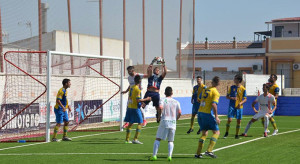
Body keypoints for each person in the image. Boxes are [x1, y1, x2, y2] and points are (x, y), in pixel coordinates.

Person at [149, 87, 181, 161]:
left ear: (165, 93)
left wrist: (159, 116)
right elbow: (179, 112)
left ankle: (154, 155)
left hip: (164, 120)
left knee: (158, 138)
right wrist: (176, 119)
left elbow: (160, 107)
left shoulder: (163, 100)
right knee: (171, 140)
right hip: (173, 122)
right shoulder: (176, 102)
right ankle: (169, 156)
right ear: (172, 93)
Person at [195, 76, 221, 159]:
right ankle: (209, 151)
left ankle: (198, 153)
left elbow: (198, 99)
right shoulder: (215, 92)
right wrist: (216, 116)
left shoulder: (205, 90)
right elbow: (214, 104)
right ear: (218, 84)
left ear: (211, 82)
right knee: (216, 132)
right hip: (207, 114)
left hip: (200, 113)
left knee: (204, 133)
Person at [124, 75, 151, 144]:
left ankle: (127, 140)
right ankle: (135, 139)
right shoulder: (137, 89)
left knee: (130, 123)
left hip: (129, 107)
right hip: (135, 108)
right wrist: (146, 99)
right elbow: (138, 100)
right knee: (140, 123)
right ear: (140, 81)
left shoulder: (131, 87)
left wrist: (142, 102)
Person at [143, 57, 167, 123]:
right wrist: (152, 62)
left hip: (156, 94)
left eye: (158, 70)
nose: (158, 71)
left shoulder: (159, 78)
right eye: (156, 70)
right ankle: (141, 118)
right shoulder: (151, 76)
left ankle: (158, 116)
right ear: (154, 71)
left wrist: (164, 64)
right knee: (142, 105)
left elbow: (165, 72)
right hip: (149, 92)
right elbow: (148, 69)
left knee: (158, 108)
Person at [223, 74, 247, 139]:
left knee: (239, 121)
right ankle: (226, 132)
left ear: (239, 80)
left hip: (239, 107)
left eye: (235, 79)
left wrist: (241, 103)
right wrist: (232, 98)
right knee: (229, 120)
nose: (234, 80)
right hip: (232, 106)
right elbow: (227, 96)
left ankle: (236, 135)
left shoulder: (243, 89)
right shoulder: (232, 87)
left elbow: (245, 99)